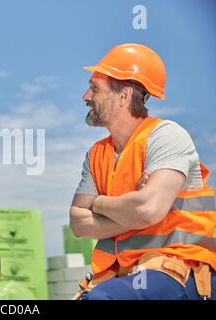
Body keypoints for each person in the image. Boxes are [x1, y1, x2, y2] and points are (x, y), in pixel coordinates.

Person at [69, 43, 215, 300]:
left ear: (124, 96)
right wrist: (133, 209)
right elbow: (78, 222)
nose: (85, 97)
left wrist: (99, 203)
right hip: (123, 274)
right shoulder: (96, 155)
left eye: (94, 88)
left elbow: (149, 209)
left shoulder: (166, 136)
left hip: (178, 267)